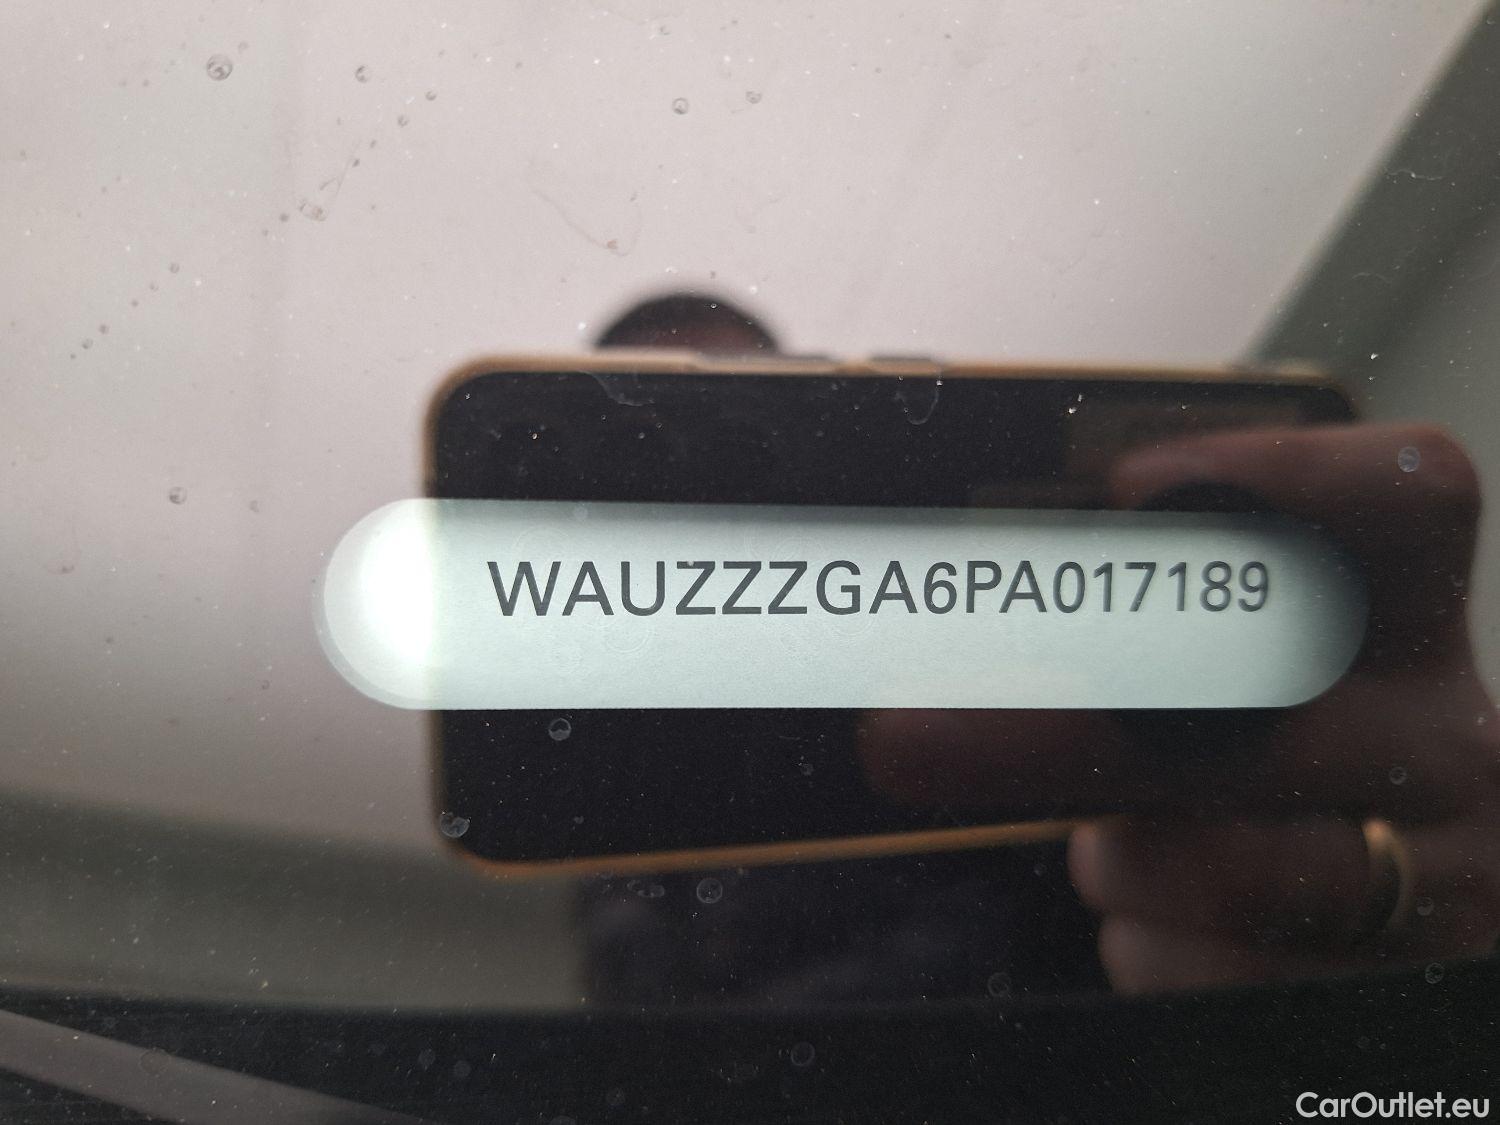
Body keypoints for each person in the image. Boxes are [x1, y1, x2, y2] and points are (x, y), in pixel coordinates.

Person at [580, 291, 1500, 1003]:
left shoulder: (985, 633)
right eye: (655, 446)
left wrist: (1403, 933)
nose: (712, 488)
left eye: (742, 431)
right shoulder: (614, 776)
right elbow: (669, 1040)